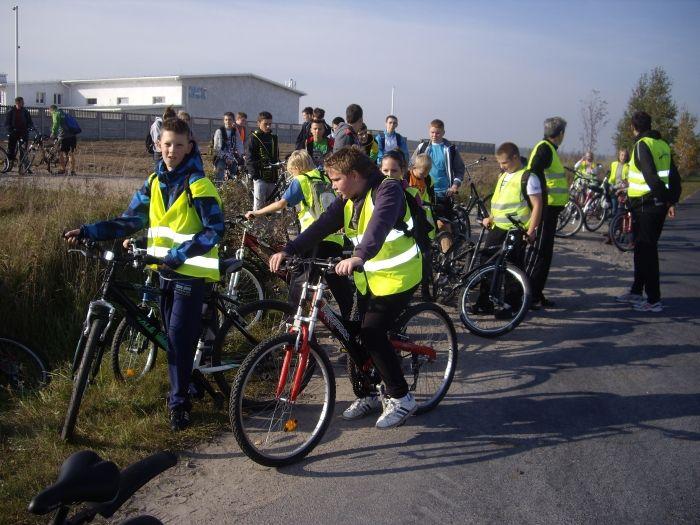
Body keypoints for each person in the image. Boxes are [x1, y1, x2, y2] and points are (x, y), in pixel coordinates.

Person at [63, 117, 224, 431]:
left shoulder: (199, 184)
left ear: (189, 147)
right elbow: (128, 221)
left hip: (189, 273)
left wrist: (179, 255)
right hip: (163, 272)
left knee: (177, 338)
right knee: (171, 337)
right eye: (167, 144)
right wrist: (88, 231)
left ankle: (179, 405)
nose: (172, 151)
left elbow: (214, 230)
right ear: (157, 145)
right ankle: (189, 381)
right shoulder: (153, 182)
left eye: (179, 145)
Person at [269, 147, 422, 428]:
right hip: (370, 278)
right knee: (352, 335)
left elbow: (379, 226)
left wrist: (358, 256)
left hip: (400, 276)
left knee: (371, 332)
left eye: (336, 179)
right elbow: (322, 224)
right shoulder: (349, 198)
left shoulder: (387, 191)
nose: (333, 185)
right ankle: (369, 394)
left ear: (353, 175)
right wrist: (290, 249)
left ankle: (402, 398)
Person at [244, 150, 351, 316]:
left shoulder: (301, 180)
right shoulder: (326, 177)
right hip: (335, 239)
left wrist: (256, 213)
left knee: (299, 285)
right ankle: (354, 327)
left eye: (290, 170)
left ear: (296, 168)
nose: (290, 174)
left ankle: (293, 326)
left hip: (312, 239)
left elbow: (281, 204)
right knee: (340, 288)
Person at [616, 111, 681, 313]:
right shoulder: (662, 144)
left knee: (648, 252)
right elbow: (674, 176)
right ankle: (636, 290)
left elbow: (651, 176)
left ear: (633, 127)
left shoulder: (642, 145)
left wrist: (662, 199)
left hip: (647, 205)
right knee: (642, 250)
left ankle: (653, 299)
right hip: (653, 204)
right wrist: (671, 201)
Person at [476, 142, 543, 313]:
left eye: (504, 163)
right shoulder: (503, 176)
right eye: (500, 163)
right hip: (497, 227)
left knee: (513, 268)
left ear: (515, 157)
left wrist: (531, 230)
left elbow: (537, 205)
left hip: (516, 229)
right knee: (487, 263)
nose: (502, 166)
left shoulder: (528, 177)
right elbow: (500, 200)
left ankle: (511, 305)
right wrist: (490, 218)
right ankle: (485, 302)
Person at [526, 116, 568, 309]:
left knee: (544, 253)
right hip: (546, 210)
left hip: (550, 209)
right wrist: (540, 198)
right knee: (541, 253)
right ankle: (531, 295)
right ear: (560, 134)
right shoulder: (545, 149)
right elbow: (533, 173)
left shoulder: (548, 149)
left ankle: (536, 292)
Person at [411, 119, 465, 253]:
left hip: (443, 193)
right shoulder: (422, 147)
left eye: (438, 133)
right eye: (432, 132)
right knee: (423, 226)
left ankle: (448, 258)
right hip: (424, 192)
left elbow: (459, 169)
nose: (435, 135)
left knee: (443, 226)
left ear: (443, 132)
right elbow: (412, 165)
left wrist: (454, 186)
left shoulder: (450, 149)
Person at [247, 111, 280, 211]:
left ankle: (272, 226)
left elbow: (276, 156)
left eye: (270, 124)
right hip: (260, 177)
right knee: (259, 206)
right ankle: (257, 226)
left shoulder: (274, 138)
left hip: (272, 178)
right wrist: (255, 176)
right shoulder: (253, 137)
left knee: (272, 206)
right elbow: (249, 158)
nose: (268, 126)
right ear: (259, 123)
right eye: (266, 124)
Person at [4, 96, 34, 172]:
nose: (23, 103)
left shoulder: (25, 111)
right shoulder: (11, 111)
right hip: (13, 133)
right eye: (22, 102)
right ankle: (8, 165)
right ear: (17, 102)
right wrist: (11, 130)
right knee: (11, 150)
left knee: (23, 150)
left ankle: (24, 167)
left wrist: (30, 127)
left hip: (23, 133)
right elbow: (7, 123)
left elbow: (30, 122)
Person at [49, 104, 78, 176]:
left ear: (51, 110)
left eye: (50, 112)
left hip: (63, 137)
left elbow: (55, 124)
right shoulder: (65, 114)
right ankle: (73, 171)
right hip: (72, 136)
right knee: (71, 154)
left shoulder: (56, 113)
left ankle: (63, 169)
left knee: (60, 152)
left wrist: (53, 133)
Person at [212, 112, 240, 182]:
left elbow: (239, 144)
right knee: (220, 170)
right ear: (224, 121)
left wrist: (241, 154)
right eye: (226, 119)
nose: (228, 121)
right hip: (221, 156)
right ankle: (218, 188)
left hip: (232, 157)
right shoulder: (219, 131)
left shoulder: (235, 131)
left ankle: (231, 189)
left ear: (233, 121)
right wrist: (225, 158)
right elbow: (216, 147)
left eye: (230, 120)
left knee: (234, 173)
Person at [150, 106, 177, 170]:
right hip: (159, 153)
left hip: (168, 152)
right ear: (165, 118)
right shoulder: (157, 124)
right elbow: (157, 140)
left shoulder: (170, 125)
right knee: (159, 172)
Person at [606, 148, 630, 217]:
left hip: (622, 189)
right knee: (614, 208)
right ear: (619, 156)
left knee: (618, 209)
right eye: (622, 155)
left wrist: (622, 189)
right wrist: (610, 185)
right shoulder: (614, 164)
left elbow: (627, 181)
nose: (623, 157)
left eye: (625, 156)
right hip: (614, 187)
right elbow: (612, 176)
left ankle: (615, 223)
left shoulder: (628, 166)